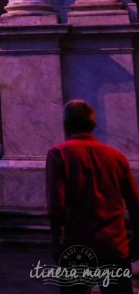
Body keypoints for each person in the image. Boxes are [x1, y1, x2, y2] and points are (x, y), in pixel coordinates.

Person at [46, 99, 139, 294]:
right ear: (94, 125)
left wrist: (55, 242)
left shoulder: (59, 154)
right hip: (114, 246)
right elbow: (135, 203)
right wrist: (137, 239)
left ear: (66, 125)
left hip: (77, 245)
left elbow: (56, 207)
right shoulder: (117, 157)